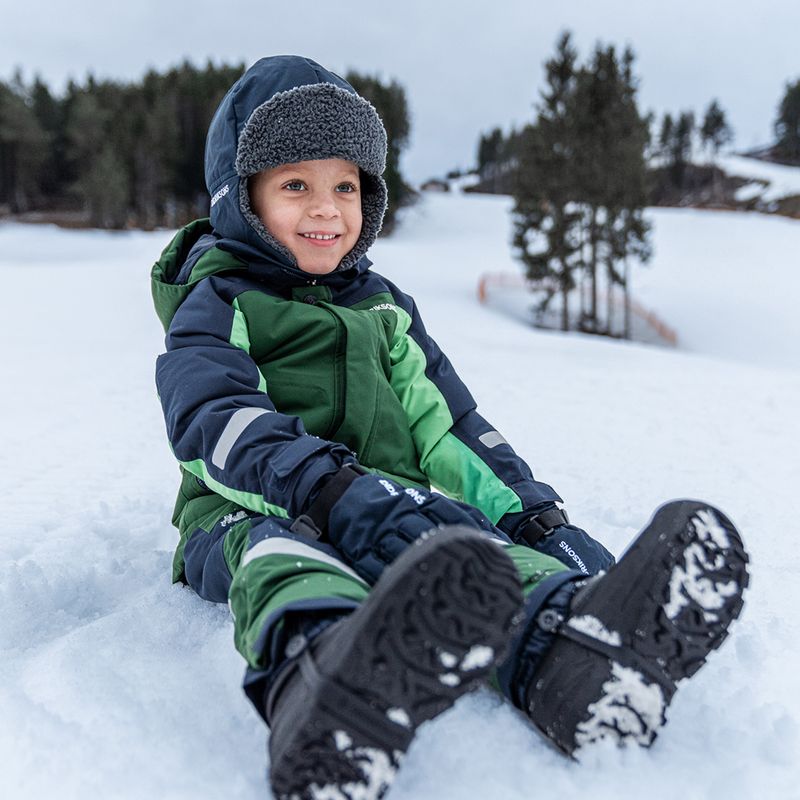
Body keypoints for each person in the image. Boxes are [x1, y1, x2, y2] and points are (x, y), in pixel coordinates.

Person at [151, 55, 748, 800]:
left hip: (389, 505)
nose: (328, 209)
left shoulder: (383, 308)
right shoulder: (218, 302)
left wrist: (533, 518)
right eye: (295, 184)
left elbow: (450, 426)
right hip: (249, 510)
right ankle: (325, 682)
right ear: (240, 199)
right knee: (284, 555)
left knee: (478, 556)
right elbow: (216, 422)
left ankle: (573, 657)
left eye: (346, 185)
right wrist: (332, 491)